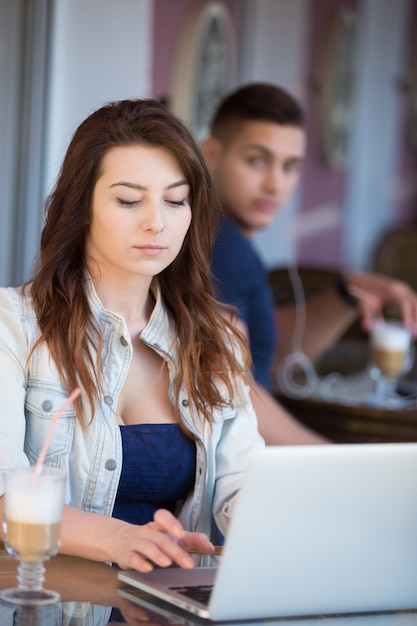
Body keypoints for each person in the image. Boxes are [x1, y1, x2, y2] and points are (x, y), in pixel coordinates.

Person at [0, 98, 265, 573]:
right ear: (81, 208)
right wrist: (120, 541)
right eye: (128, 199)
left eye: (175, 199)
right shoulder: (13, 325)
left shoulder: (216, 340)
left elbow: (244, 483)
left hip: (167, 609)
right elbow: (4, 496)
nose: (156, 222)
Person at [202, 82, 417, 445]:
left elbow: (271, 353)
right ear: (211, 154)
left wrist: (348, 293)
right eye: (256, 160)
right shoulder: (224, 246)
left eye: (291, 166)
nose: (275, 184)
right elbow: (232, 390)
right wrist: (331, 460)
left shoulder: (229, 240)